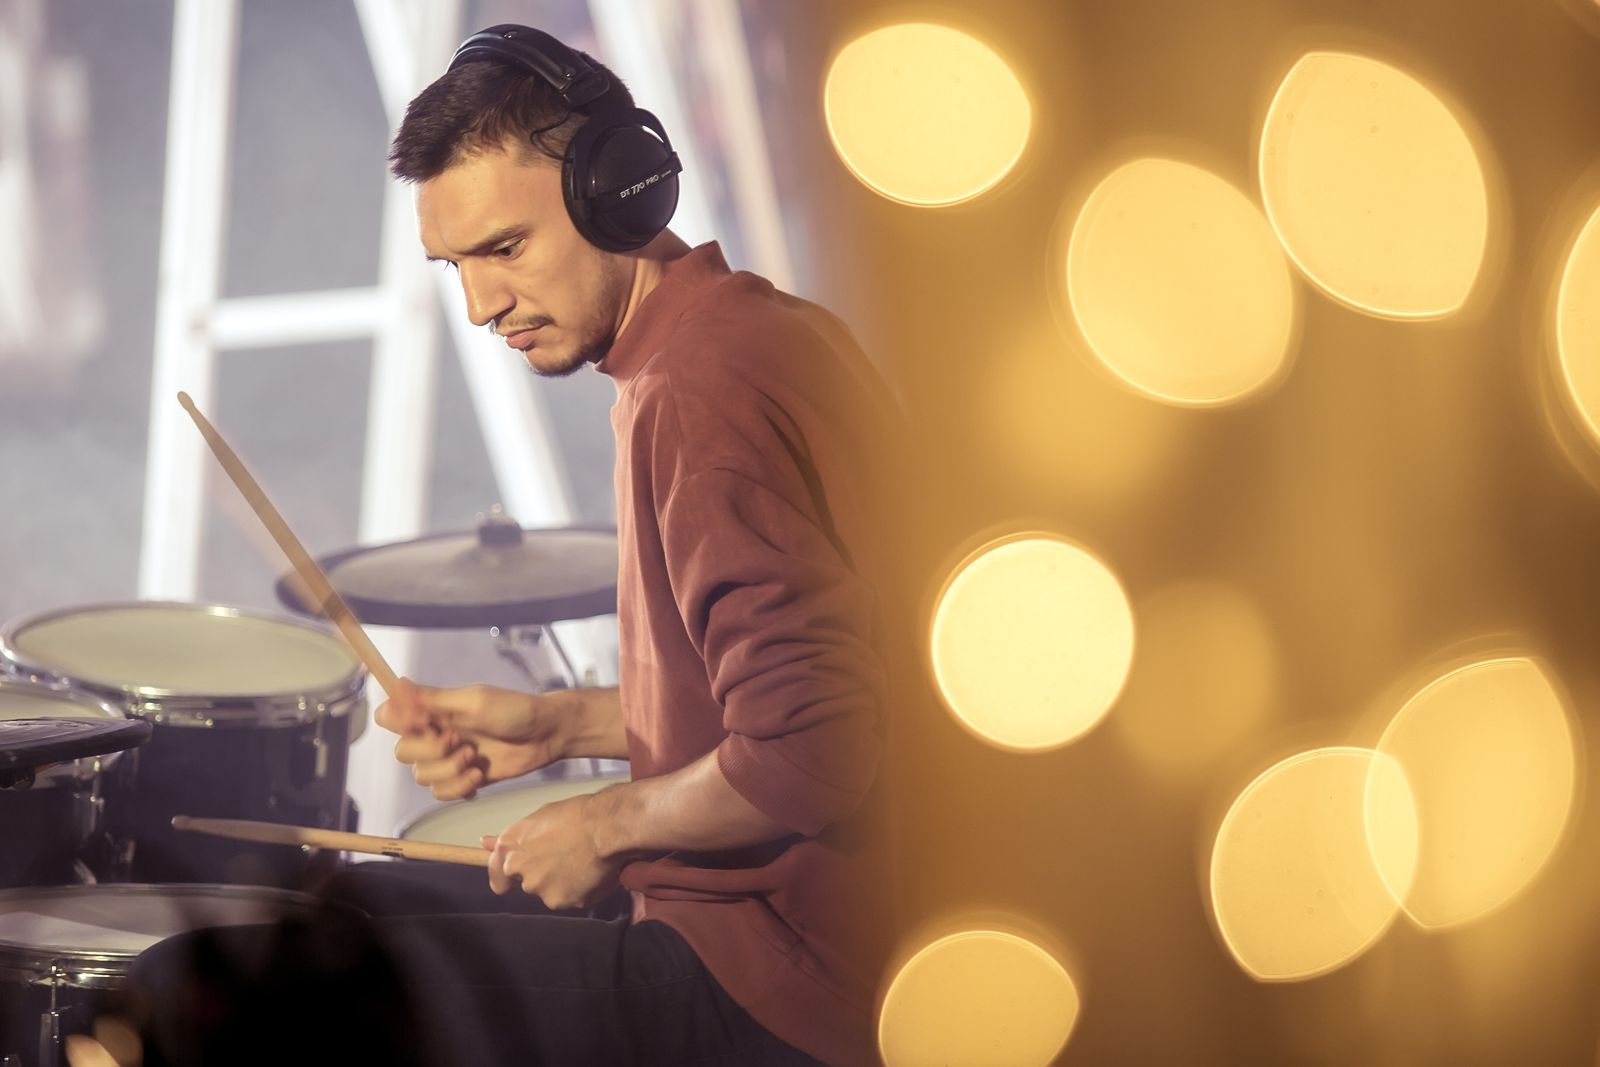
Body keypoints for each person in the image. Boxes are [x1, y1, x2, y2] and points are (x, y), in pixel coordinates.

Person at [362, 23, 899, 1067]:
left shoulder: (701, 391)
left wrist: (604, 824)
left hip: (774, 983)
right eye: (454, 265)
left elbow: (813, 749)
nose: (479, 305)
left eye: (505, 249)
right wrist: (562, 723)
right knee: (354, 911)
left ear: (619, 191)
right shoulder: (750, 335)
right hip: (785, 948)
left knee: (280, 973)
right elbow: (810, 690)